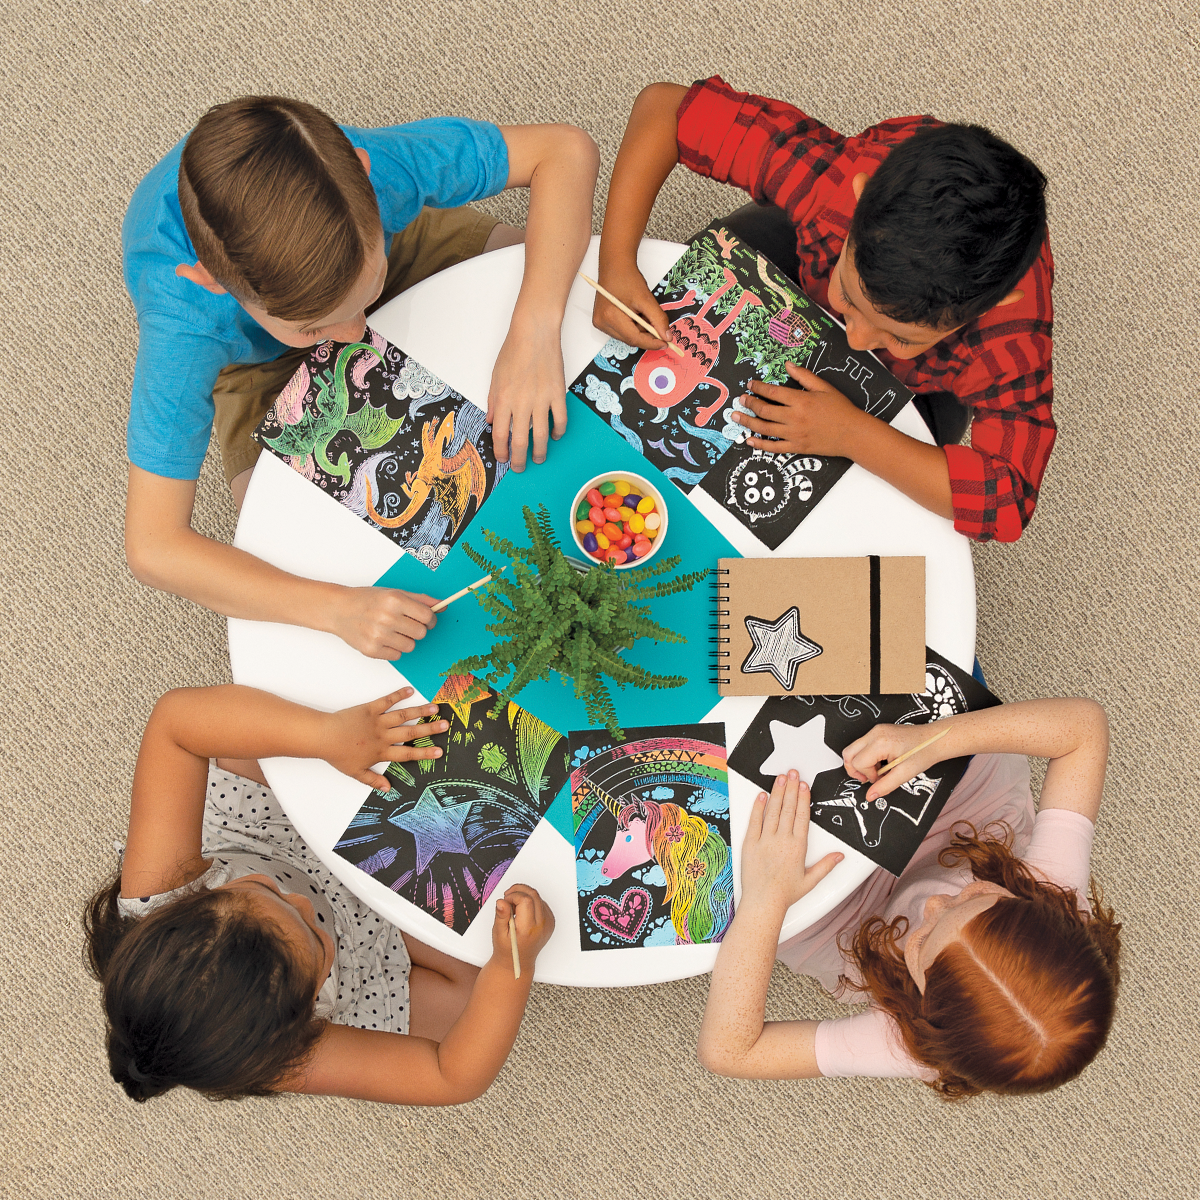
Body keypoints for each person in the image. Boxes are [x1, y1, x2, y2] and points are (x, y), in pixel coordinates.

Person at [123, 96, 599, 660]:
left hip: (391, 250)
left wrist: (534, 332)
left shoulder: (385, 170)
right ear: (211, 282)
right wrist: (336, 609)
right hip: (259, 363)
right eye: (314, 327)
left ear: (364, 170)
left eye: (364, 301)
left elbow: (565, 150)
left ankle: (340, 297)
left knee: (577, 280)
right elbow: (153, 546)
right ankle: (331, 306)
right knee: (293, 545)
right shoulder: (186, 322)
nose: (357, 336)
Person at [594, 77, 1054, 543]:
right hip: (798, 255)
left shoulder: (1009, 337)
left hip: (912, 388)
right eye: (850, 299)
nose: (856, 341)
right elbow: (668, 110)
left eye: (901, 338)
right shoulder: (829, 183)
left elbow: (1008, 502)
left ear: (990, 310)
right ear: (857, 196)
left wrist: (854, 434)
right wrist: (615, 261)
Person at [84, 683, 554, 1105]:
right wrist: (514, 966)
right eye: (312, 934)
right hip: (364, 943)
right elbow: (450, 1077)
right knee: (469, 1006)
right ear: (304, 1015)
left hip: (265, 831)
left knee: (259, 724)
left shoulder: (156, 893)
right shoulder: (275, 1053)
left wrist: (324, 735)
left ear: (192, 900)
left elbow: (176, 722)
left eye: (266, 893)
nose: (304, 902)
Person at [697, 698, 1121, 1097]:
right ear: (1041, 905)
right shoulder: (1056, 897)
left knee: (726, 885)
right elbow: (1083, 728)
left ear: (923, 1011)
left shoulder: (916, 1044)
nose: (934, 905)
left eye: (923, 941)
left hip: (858, 922)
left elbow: (731, 1051)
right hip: (963, 822)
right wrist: (934, 741)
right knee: (921, 715)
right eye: (973, 897)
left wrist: (765, 903)